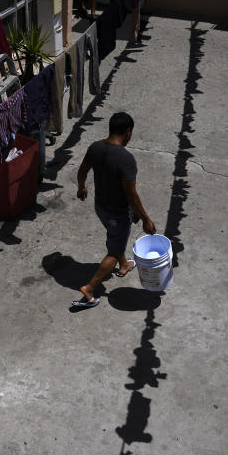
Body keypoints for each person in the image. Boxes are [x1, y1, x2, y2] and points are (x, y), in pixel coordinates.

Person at [73, 112, 156, 308]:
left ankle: (124, 265)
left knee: (116, 236)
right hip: (117, 213)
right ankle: (90, 289)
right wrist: (145, 218)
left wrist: (81, 186)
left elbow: (83, 169)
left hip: (100, 207)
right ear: (128, 133)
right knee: (114, 249)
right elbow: (131, 195)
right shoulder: (126, 159)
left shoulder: (95, 147)